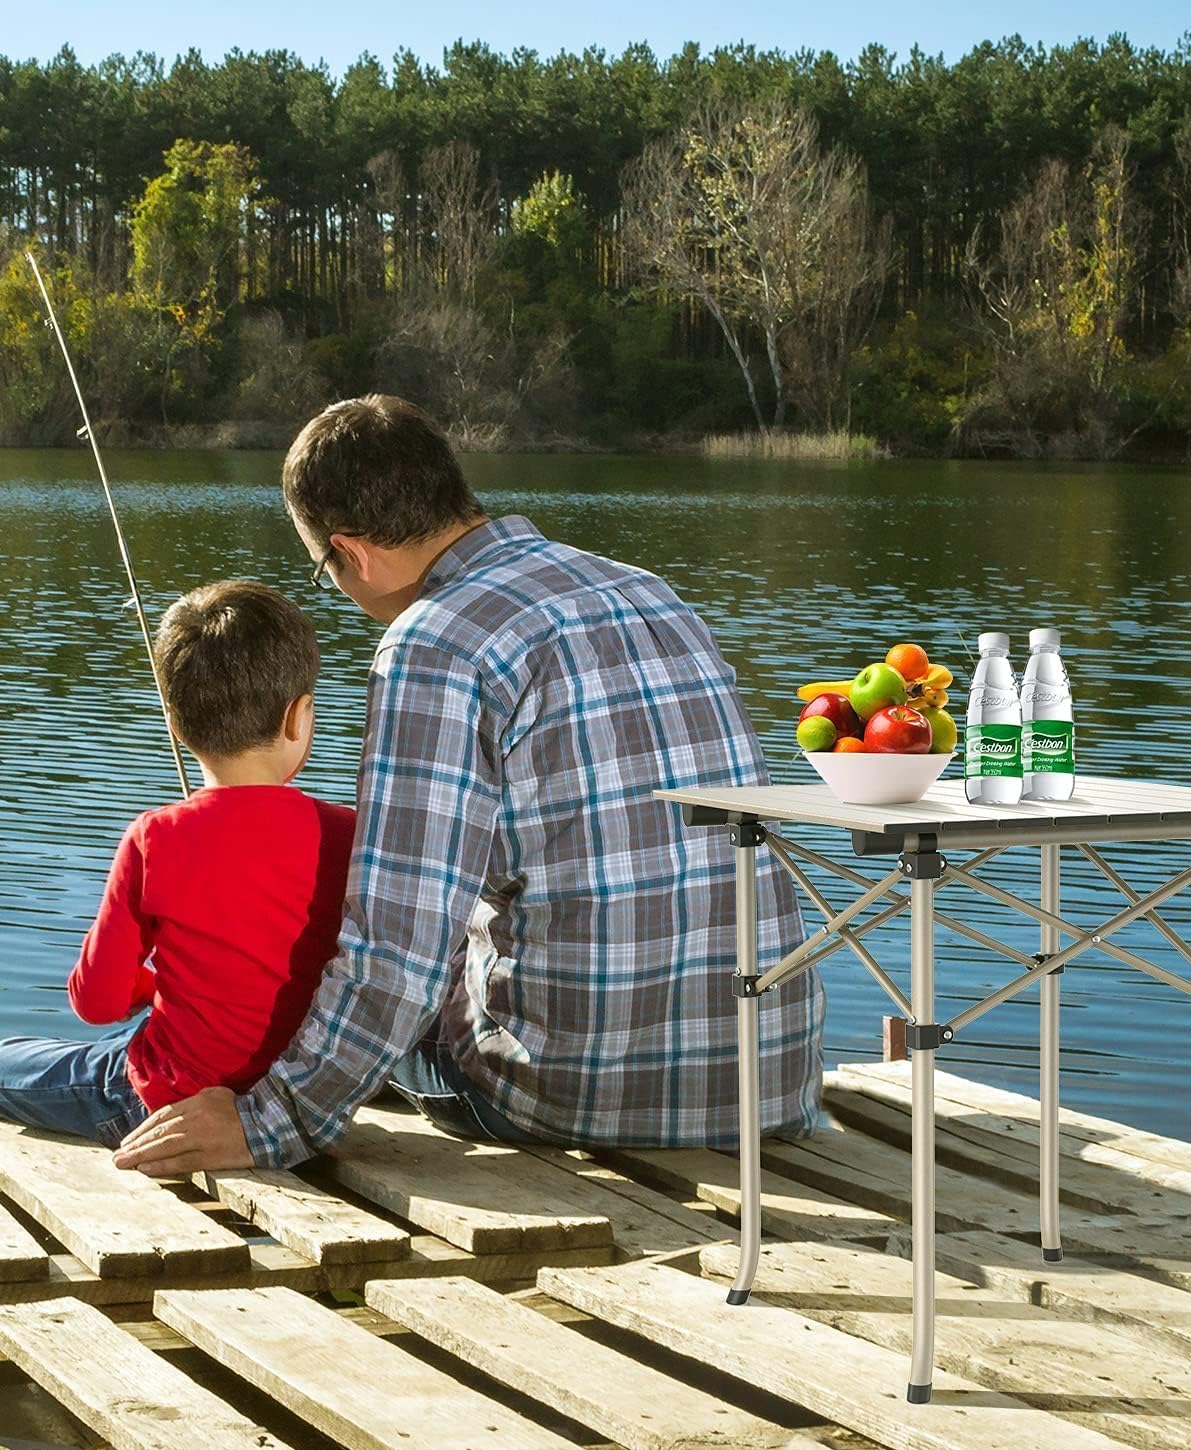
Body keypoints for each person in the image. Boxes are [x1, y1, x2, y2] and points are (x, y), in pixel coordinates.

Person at [114, 394, 824, 1174]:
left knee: (263, 1018)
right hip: (767, 1081)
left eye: (325, 571)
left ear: (351, 553)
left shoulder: (434, 644)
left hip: (565, 1095)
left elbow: (397, 947)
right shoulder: (650, 592)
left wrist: (269, 1123)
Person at [0, 583, 355, 1146]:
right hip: (295, 1101)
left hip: (165, 1100)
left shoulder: (155, 838)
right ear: (298, 717)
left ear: (174, 722)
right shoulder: (349, 834)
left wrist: (149, 986)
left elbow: (96, 1001)